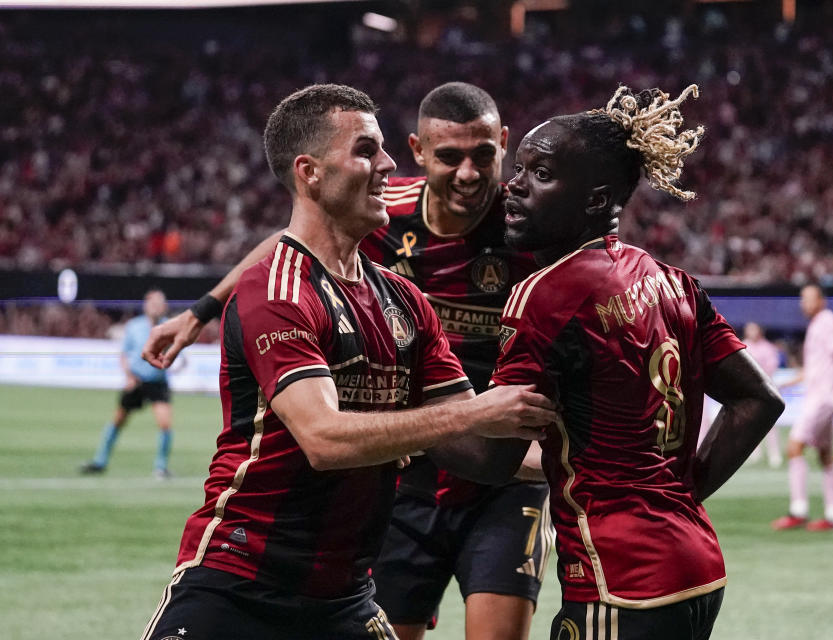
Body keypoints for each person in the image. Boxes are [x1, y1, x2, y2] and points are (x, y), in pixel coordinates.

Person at [140, 84, 556, 640]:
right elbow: (326, 439)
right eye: (367, 150)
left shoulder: (408, 301)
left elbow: (474, 447)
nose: (388, 165)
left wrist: (602, 467)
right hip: (241, 587)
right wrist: (202, 310)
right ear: (309, 172)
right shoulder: (277, 290)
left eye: (383, 150)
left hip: (347, 597)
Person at [487, 85, 785, 639]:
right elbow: (759, 399)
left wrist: (421, 412)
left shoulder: (545, 295)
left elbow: (487, 458)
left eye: (542, 174)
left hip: (620, 581)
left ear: (598, 200)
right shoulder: (672, 281)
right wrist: (679, 493)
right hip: (698, 566)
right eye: (519, 168)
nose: (515, 185)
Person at [772, 284, 833, 532]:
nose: (804, 303)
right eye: (803, 299)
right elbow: (814, 368)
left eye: (809, 299)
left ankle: (798, 510)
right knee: (825, 455)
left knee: (793, 447)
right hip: (825, 398)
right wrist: (785, 384)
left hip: (822, 398)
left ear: (821, 300)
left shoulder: (826, 322)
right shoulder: (819, 324)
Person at [80, 289, 174, 479]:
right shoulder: (134, 326)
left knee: (165, 424)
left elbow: (176, 350)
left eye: (159, 303)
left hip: (158, 381)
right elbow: (124, 354)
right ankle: (100, 461)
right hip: (136, 380)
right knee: (118, 420)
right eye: (153, 303)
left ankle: (161, 467)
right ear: (146, 305)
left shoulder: (170, 327)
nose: (156, 307)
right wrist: (129, 377)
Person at [742, 322, 784, 468]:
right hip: (748, 390)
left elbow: (771, 368)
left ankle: (774, 454)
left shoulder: (768, 348)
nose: (751, 331)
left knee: (770, 424)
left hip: (766, 390)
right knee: (749, 424)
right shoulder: (743, 345)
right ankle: (753, 453)